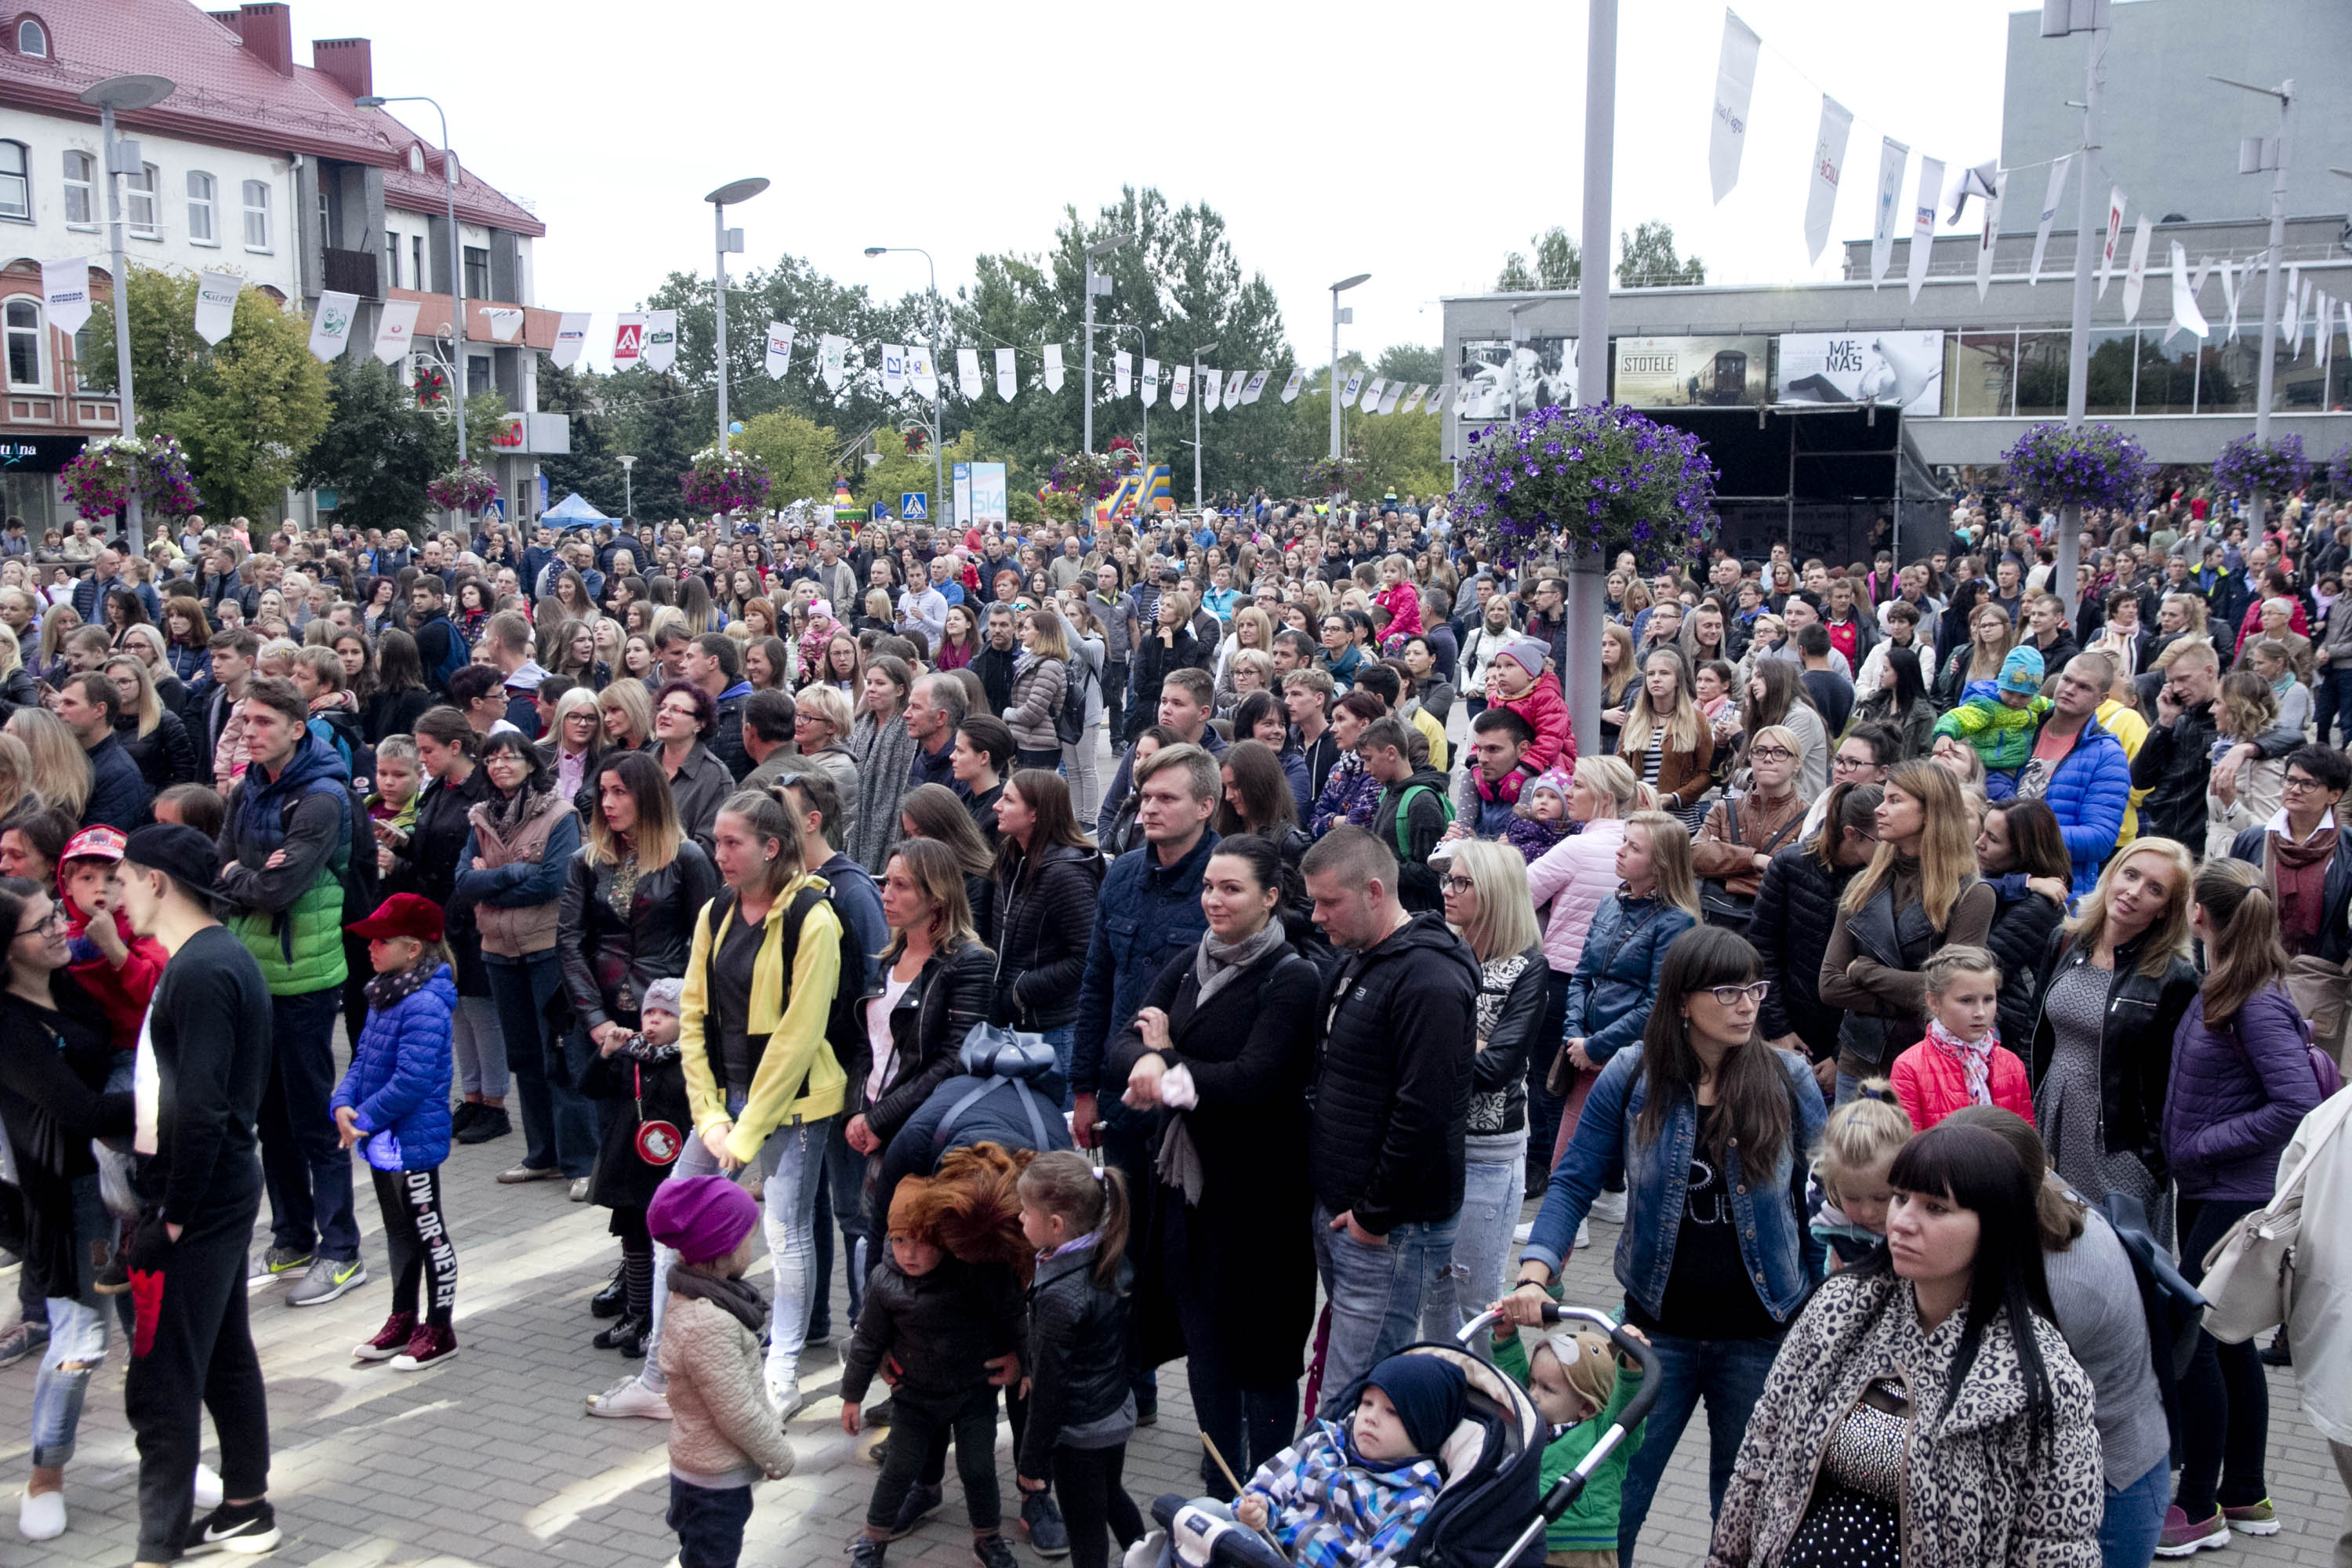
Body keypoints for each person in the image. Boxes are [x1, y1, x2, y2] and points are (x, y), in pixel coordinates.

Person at [1508, 927, 1827, 1564]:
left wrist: (1824, 1314)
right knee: (1615, 1502)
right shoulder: (1634, 1075)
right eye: (1728, 991)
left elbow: (1824, 1205)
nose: (1747, 1005)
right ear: (1683, 1001)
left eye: (1755, 989)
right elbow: (1573, 1180)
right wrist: (1534, 1273)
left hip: (1763, 1336)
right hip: (1653, 1338)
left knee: (1742, 1517)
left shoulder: (1788, 1079)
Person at [1703, 1122, 2103, 1568]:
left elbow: (2056, 1546)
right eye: (1900, 1197)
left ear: (1995, 1226)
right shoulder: (1839, 1310)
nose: (1902, 1222)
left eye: (1936, 1208)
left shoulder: (2043, 1378)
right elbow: (1760, 1453)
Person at [600, 791, 845, 1424]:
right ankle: (658, 1377)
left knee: (785, 1234)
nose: (720, 855)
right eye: (716, 842)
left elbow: (798, 1036)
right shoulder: (716, 910)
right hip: (726, 1102)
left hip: (793, 1104)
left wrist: (746, 1130)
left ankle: (780, 1376)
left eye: (733, 843)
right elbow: (693, 1015)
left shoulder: (813, 918)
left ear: (772, 847)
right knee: (670, 1220)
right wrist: (709, 1116)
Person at [1105, 832, 1319, 1490]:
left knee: (1262, 1356)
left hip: (1260, 1199)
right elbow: (1121, 1045)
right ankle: (1221, 1487)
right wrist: (1153, 1060)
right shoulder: (1191, 962)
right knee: (1205, 1351)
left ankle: (1269, 1491)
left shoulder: (1292, 978)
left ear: (1271, 897)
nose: (1213, 900)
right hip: (1189, 1195)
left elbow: (1252, 1080)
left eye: (1231, 889)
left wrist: (1164, 1059)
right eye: (1207, 887)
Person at [116, 822, 283, 1561]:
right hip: (215, 1186)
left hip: (200, 1198)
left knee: (164, 1377)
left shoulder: (205, 969)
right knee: (219, 1353)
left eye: (123, 879)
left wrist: (175, 1218)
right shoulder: (206, 959)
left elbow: (205, 1107)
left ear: (156, 882)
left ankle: (157, 1547)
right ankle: (246, 1507)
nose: (116, 894)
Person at [2158, 858, 2322, 1555]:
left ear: (2199, 913)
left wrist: (2202, 1144)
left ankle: (2198, 1504)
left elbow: (2298, 1103)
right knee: (2227, 1341)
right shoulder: (2229, 982)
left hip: (2236, 1193)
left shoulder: (2252, 1001)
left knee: (2192, 1334)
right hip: (2210, 1187)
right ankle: (2246, 1492)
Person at [1300, 825, 1481, 1409]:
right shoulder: (1363, 958)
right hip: (1353, 1215)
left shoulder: (1429, 978)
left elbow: (1423, 1112)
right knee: (1349, 1386)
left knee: (1356, 1400)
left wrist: (1373, 1215)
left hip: (1390, 1231)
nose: (1316, 917)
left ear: (1374, 892)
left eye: (1329, 902)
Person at [1945, 1108, 2172, 1568]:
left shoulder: (2062, 1283)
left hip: (2108, 1489)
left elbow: (1975, 1409)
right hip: (2062, 1472)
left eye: (1940, 1203)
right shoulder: (2035, 1194)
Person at [213, 677, 367, 1305]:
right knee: (269, 1120)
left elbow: (278, 889)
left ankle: (342, 1250)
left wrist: (240, 874)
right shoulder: (248, 788)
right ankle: (292, 1238)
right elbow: (220, 869)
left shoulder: (322, 797)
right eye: (245, 721)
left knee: (312, 1120)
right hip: (253, 974)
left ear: (297, 729)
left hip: (304, 978)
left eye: (262, 722)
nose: (249, 732)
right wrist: (244, 874)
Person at [0, 873, 136, 1544]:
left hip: (128, 1184)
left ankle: (168, 1454)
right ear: (7, 949)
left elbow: (117, 1045)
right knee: (81, 1341)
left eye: (56, 913)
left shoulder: (67, 986)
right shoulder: (9, 1024)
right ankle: (45, 1477)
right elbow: (78, 1111)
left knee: (154, 1329)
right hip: (71, 1197)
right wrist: (166, 1103)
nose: (61, 927)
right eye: (43, 924)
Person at [840, 1161, 1026, 1568]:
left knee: (978, 1469)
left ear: (945, 1240)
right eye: (900, 1240)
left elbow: (1012, 1314)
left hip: (972, 1393)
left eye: (924, 1243)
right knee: (898, 1468)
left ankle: (988, 1538)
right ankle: (872, 1539)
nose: (910, 1253)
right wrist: (852, 1396)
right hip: (914, 1398)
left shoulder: (974, 1270)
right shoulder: (884, 1280)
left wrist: (1022, 1363)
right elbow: (868, 1339)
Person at [2028, 837, 2200, 1216]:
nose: (2134, 892)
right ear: (2112, 875)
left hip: (2118, 1144)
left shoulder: (2175, 977)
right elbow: (2034, 1031)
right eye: (2131, 875)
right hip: (2048, 1118)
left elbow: (2173, 1083)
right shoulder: (2066, 940)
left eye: (2154, 889)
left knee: (2111, 1243)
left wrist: (2150, 1163)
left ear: (2165, 910)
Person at [455, 731, 590, 1195]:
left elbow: (553, 882)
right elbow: (462, 882)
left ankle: (581, 1162)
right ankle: (542, 1155)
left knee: (561, 1056)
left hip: (546, 948)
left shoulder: (559, 815)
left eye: (509, 757)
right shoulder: (480, 817)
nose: (499, 765)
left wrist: (490, 882)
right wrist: (513, 873)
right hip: (498, 951)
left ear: (531, 763)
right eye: (491, 759)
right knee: (524, 1057)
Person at [333, 892, 460, 1372]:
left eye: (380, 940)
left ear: (412, 949)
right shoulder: (385, 994)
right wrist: (342, 1103)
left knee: (429, 1233)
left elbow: (412, 1081)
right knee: (399, 1232)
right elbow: (363, 1061)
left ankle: (440, 1328)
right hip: (384, 1138)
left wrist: (361, 1121)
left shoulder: (424, 1003)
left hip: (412, 1141)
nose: (370, 947)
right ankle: (403, 1318)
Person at [1819, 760, 1995, 1103]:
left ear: (1929, 812)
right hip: (1859, 1062)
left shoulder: (1973, 894)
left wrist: (1866, 972)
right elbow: (1830, 985)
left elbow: (1953, 993)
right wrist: (1914, 998)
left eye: (1895, 800)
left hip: (1928, 1065)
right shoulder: (1863, 883)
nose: (1879, 809)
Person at [648, 1175, 799, 1568]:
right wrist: (778, 1455)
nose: (752, 1247)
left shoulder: (699, 1297)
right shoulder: (709, 1323)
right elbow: (737, 1411)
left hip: (705, 1473)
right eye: (748, 1238)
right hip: (712, 1483)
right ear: (724, 1249)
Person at [1432, 838, 1547, 1343]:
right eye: (1447, 879)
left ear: (1496, 892)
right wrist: (1471, 1042)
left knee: (1475, 1299)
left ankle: (1490, 1391)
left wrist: (1438, 1047)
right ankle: (1442, 1385)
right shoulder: (1440, 950)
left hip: (1488, 1151)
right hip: (1434, 1143)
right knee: (1433, 1292)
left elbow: (1498, 1067)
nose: (1447, 891)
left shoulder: (1527, 966)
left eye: (1462, 882)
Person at [1013, 1152, 1144, 1568]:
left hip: (1079, 1432)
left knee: (1086, 1531)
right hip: (1113, 1409)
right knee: (1112, 1494)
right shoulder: (1107, 1254)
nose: (1019, 1218)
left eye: (1025, 1211)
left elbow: (1049, 1390)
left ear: (1056, 1225)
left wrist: (1031, 1462)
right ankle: (1152, 1554)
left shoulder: (1059, 1295)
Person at [385, 708, 505, 1145]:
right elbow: (430, 849)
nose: (422, 759)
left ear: (456, 747)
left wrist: (405, 863)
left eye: (427, 750)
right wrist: (402, 846)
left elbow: (476, 854)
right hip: (439, 913)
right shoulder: (438, 788)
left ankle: (495, 1102)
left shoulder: (484, 790)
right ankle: (471, 1096)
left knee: (481, 1008)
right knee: (455, 1006)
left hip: (470, 915)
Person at [1554, 811, 1702, 1163]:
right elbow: (1582, 975)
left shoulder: (1676, 921)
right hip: (1585, 1052)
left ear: (1661, 864)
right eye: (1624, 841)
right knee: (1568, 1159)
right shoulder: (1610, 903)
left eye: (1634, 847)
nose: (1620, 851)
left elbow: (1657, 1003)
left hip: (1635, 1061)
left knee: (1629, 1162)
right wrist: (1575, 1037)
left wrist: (1597, 1046)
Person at [1232, 1353, 1468, 1565]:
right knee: (1215, 1514)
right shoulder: (1325, 1443)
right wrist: (1259, 1507)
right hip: (1263, 1547)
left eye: (1392, 1412)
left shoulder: (1412, 1500)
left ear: (1424, 1429)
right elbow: (1269, 1482)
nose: (1370, 1417)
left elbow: (1381, 1561)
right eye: (1367, 1403)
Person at [579, 976, 692, 1358]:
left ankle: (660, 1320)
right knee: (634, 1242)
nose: (654, 1020)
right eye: (649, 1012)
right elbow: (590, 1088)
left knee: (666, 1246)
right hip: (630, 1163)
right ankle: (636, 1312)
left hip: (669, 1169)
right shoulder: (631, 1054)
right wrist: (606, 1053)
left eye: (666, 1014)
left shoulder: (692, 1059)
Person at [987, 770, 1102, 1088]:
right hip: (1014, 1022)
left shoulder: (1066, 874)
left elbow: (1087, 957)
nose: (997, 806)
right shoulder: (1012, 856)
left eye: (1008, 800)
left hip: (1054, 1028)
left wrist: (1021, 989)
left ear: (1035, 813)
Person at [1888, 945, 2033, 1131]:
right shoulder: (1909, 1067)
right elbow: (1908, 1143)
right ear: (1934, 1002)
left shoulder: (2011, 1064)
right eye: (1966, 1000)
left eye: (1988, 999)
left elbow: (2026, 1137)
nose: (1980, 1012)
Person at [1974, 798, 2072, 1054]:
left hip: (2006, 1031)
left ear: (2024, 851)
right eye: (1982, 832)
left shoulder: (2040, 906)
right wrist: (2021, 883)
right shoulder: (2009, 882)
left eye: (1993, 839)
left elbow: (1980, 967)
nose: (1979, 843)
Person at [1690, 724, 1806, 930]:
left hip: (1776, 927)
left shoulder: (1809, 818)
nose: (1768, 758)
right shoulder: (1724, 808)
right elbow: (1694, 857)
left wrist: (1723, 863)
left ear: (1797, 763)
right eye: (1760, 751)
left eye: (1780, 752)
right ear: (1751, 758)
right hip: (1717, 920)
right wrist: (1755, 860)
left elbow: (1797, 881)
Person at [1809, 1087, 1911, 1275]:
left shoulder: (1921, 1231)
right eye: (1852, 1198)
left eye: (1881, 1198)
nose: (1867, 1212)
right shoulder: (1832, 1225)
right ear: (1833, 1188)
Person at [1359, 716, 1453, 913]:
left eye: (1368, 759)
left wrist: (1382, 868)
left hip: (1418, 915)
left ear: (1391, 753)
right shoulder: (1388, 793)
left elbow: (1432, 871)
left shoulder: (1422, 803)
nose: (1366, 768)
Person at [652, 681, 735, 855]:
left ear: (699, 724)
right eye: (662, 708)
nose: (664, 715)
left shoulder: (716, 777)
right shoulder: (644, 762)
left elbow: (709, 850)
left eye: (676, 710)